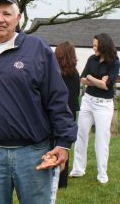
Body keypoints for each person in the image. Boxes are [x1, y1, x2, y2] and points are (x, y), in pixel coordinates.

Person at [0, 0, 77, 203]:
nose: (0, 19)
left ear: (19, 18)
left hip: (32, 151)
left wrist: (63, 143)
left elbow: (57, 97)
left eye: (6, 13)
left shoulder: (37, 50)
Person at [69, 33, 120, 184]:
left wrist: (91, 78)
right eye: (93, 45)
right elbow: (82, 79)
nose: (93, 48)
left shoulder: (115, 62)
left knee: (102, 140)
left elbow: (107, 86)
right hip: (88, 101)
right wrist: (97, 80)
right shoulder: (92, 59)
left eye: (96, 46)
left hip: (103, 105)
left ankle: (102, 174)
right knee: (81, 136)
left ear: (104, 46)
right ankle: (78, 169)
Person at [54, 41, 80, 188]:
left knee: (53, 144)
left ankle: (53, 175)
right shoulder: (75, 74)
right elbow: (75, 94)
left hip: (57, 112)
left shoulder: (54, 73)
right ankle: (62, 181)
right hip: (70, 113)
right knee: (65, 146)